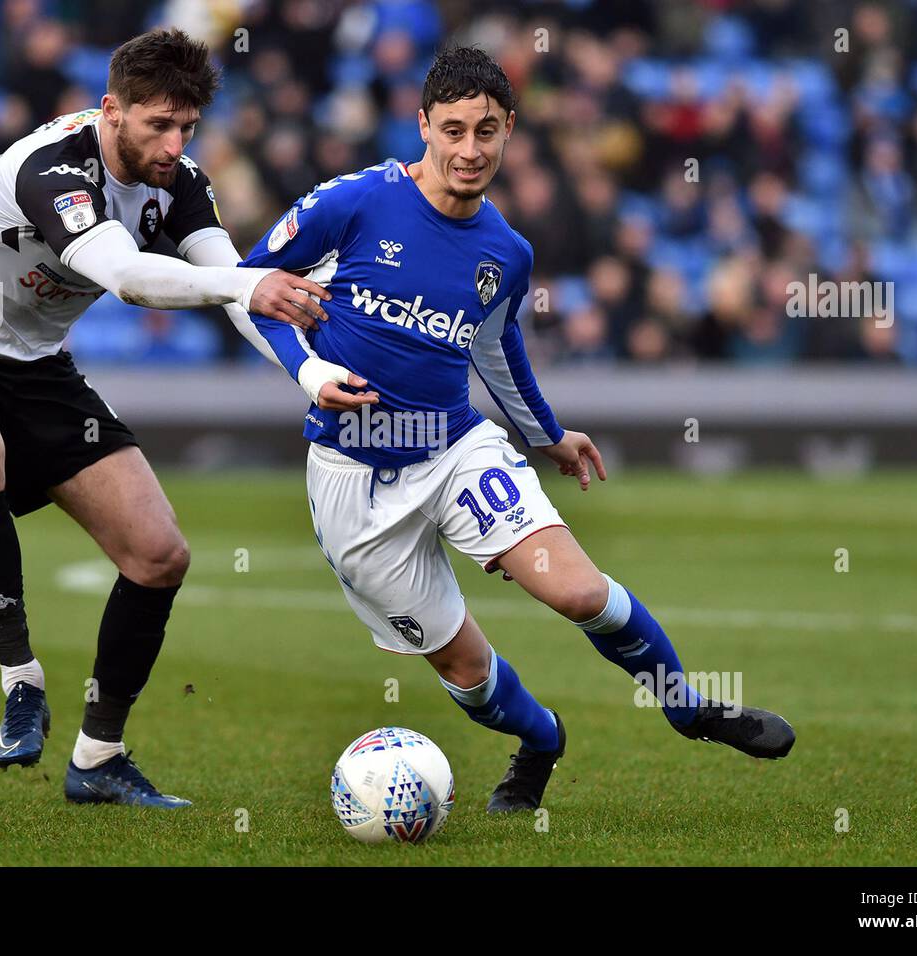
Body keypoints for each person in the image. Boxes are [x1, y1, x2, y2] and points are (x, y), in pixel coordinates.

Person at [240, 46, 795, 816]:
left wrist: (548, 434)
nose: (471, 150)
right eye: (456, 130)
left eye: (489, 132)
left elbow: (497, 348)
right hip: (351, 482)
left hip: (456, 450)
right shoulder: (353, 204)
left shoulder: (505, 252)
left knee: (578, 592)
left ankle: (688, 706)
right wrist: (308, 375)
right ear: (424, 126)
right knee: (470, 679)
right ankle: (541, 741)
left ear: (510, 133)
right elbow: (248, 289)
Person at [0, 28, 362, 808]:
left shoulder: (181, 182)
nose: (174, 144)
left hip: (39, 372)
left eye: (188, 128)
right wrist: (246, 286)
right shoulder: (54, 168)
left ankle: (98, 758)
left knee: (160, 555)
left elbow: (234, 290)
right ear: (112, 110)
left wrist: (309, 372)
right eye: (158, 125)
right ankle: (21, 681)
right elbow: (129, 277)